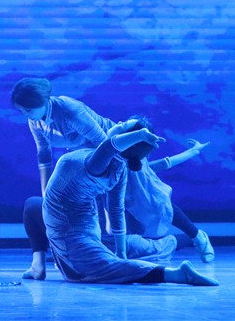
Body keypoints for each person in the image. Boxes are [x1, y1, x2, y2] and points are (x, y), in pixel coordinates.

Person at [42, 119, 218, 286]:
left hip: (72, 230)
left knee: (101, 269)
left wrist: (140, 135)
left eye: (124, 124)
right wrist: (121, 252)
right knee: (81, 269)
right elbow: (115, 211)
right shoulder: (115, 165)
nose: (118, 123)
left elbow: (109, 148)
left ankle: (176, 274)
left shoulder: (102, 163)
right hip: (75, 226)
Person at [123, 116, 215, 262]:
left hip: (152, 199)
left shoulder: (139, 160)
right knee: (140, 244)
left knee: (164, 209)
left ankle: (198, 237)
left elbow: (158, 165)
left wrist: (193, 152)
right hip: (129, 206)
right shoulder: (117, 157)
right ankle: (193, 237)